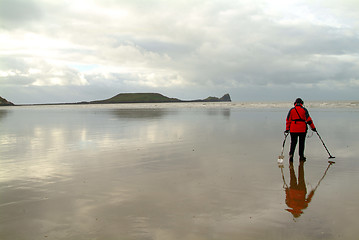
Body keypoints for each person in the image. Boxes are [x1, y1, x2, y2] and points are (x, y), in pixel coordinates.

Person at [285, 98, 316, 162]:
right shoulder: (304, 110)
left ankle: (291, 155)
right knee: (301, 143)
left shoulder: (291, 110)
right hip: (302, 129)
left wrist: (287, 129)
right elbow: (309, 120)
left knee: (293, 143)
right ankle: (301, 156)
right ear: (302, 103)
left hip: (293, 129)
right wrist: (313, 128)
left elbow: (288, 120)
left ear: (295, 103)